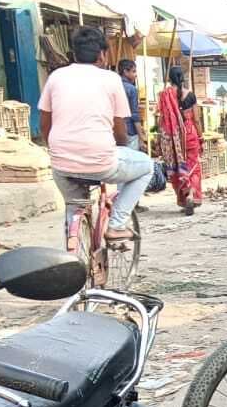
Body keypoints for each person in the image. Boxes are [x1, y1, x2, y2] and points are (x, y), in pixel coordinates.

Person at [38, 25, 153, 244]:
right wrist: (118, 145)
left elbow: (44, 122)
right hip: (101, 161)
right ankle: (117, 225)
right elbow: (120, 130)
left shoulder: (56, 77)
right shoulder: (111, 79)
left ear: (75, 53)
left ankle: (74, 249)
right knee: (146, 166)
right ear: (102, 54)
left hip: (62, 164)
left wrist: (56, 148)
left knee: (74, 207)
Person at [157, 65, 204, 212]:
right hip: (190, 134)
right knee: (193, 167)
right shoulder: (190, 95)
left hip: (173, 138)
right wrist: (201, 136)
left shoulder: (165, 96)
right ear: (182, 78)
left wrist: (160, 140)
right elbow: (196, 119)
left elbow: (162, 120)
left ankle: (184, 196)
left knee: (178, 168)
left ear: (169, 79)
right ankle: (192, 194)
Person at [117, 58, 142, 150]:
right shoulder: (131, 89)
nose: (136, 75)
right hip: (130, 130)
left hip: (115, 130)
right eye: (133, 71)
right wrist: (141, 136)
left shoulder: (114, 85)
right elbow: (135, 114)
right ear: (125, 72)